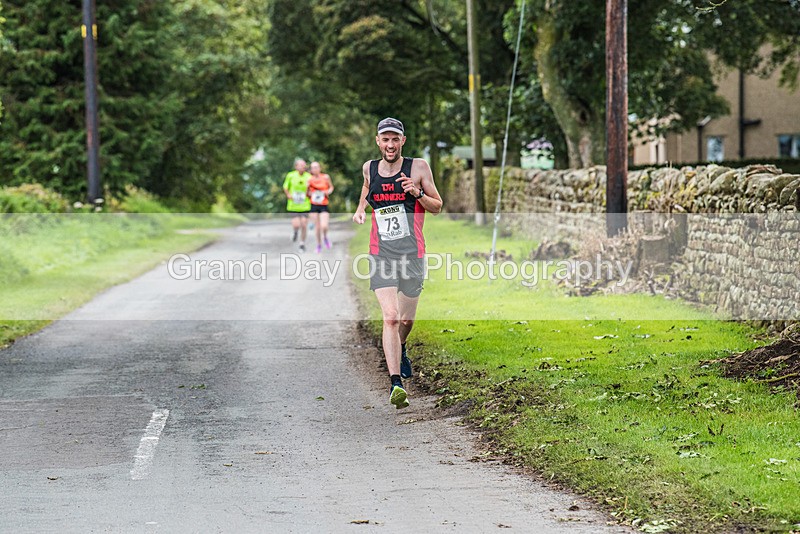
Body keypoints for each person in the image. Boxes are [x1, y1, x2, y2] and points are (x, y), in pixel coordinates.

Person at [352, 117, 443, 409]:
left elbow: (437, 206)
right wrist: (360, 211)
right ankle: (395, 384)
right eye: (385, 139)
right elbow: (367, 189)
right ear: (377, 141)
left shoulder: (418, 167)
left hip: (412, 253)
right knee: (390, 316)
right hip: (381, 253)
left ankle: (401, 346)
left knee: (406, 320)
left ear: (402, 141)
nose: (390, 145)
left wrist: (416, 192)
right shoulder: (369, 167)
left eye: (395, 139)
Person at [283, 159, 312, 252]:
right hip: (293, 205)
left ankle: (302, 244)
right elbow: (285, 187)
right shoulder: (290, 175)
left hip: (305, 205)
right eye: (301, 165)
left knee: (304, 224)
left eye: (304, 166)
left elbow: (312, 189)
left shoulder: (308, 176)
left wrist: (309, 192)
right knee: (296, 224)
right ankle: (295, 232)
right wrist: (288, 195)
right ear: (296, 166)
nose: (303, 167)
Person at [307, 161, 334, 253]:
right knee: (317, 228)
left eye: (316, 167)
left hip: (323, 205)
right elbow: (307, 194)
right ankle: (319, 245)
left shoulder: (325, 177)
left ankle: (325, 238)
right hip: (314, 205)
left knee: (324, 226)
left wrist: (328, 192)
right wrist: (309, 192)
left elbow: (331, 187)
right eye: (313, 167)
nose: (315, 169)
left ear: (320, 168)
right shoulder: (309, 180)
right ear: (311, 170)